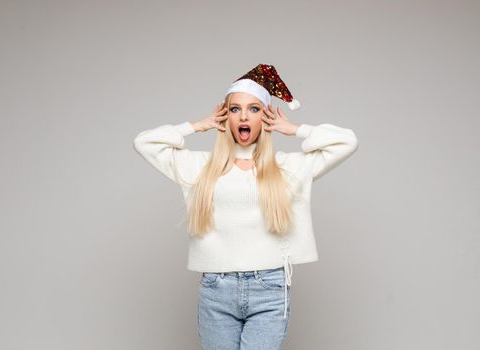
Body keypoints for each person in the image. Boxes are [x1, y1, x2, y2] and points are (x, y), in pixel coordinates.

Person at [133, 64, 359, 350]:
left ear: (264, 117)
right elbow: (143, 142)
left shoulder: (288, 169)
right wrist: (197, 125)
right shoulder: (201, 168)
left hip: (270, 289)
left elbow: (347, 141)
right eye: (235, 109)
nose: (243, 116)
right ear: (226, 116)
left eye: (253, 109)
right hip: (216, 290)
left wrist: (292, 129)